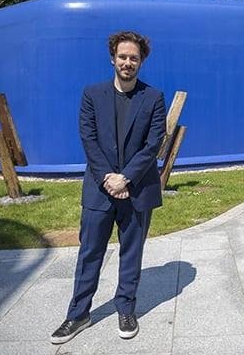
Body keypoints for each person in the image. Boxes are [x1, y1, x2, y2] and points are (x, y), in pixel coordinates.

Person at [51, 31, 167, 344]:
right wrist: (108, 178)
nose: (128, 62)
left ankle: (126, 309)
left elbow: (154, 142)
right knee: (90, 253)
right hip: (99, 191)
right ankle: (78, 314)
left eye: (134, 58)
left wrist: (125, 177)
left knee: (132, 253)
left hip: (137, 189)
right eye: (123, 56)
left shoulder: (153, 97)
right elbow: (88, 139)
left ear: (141, 61)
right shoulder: (92, 94)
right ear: (112, 58)